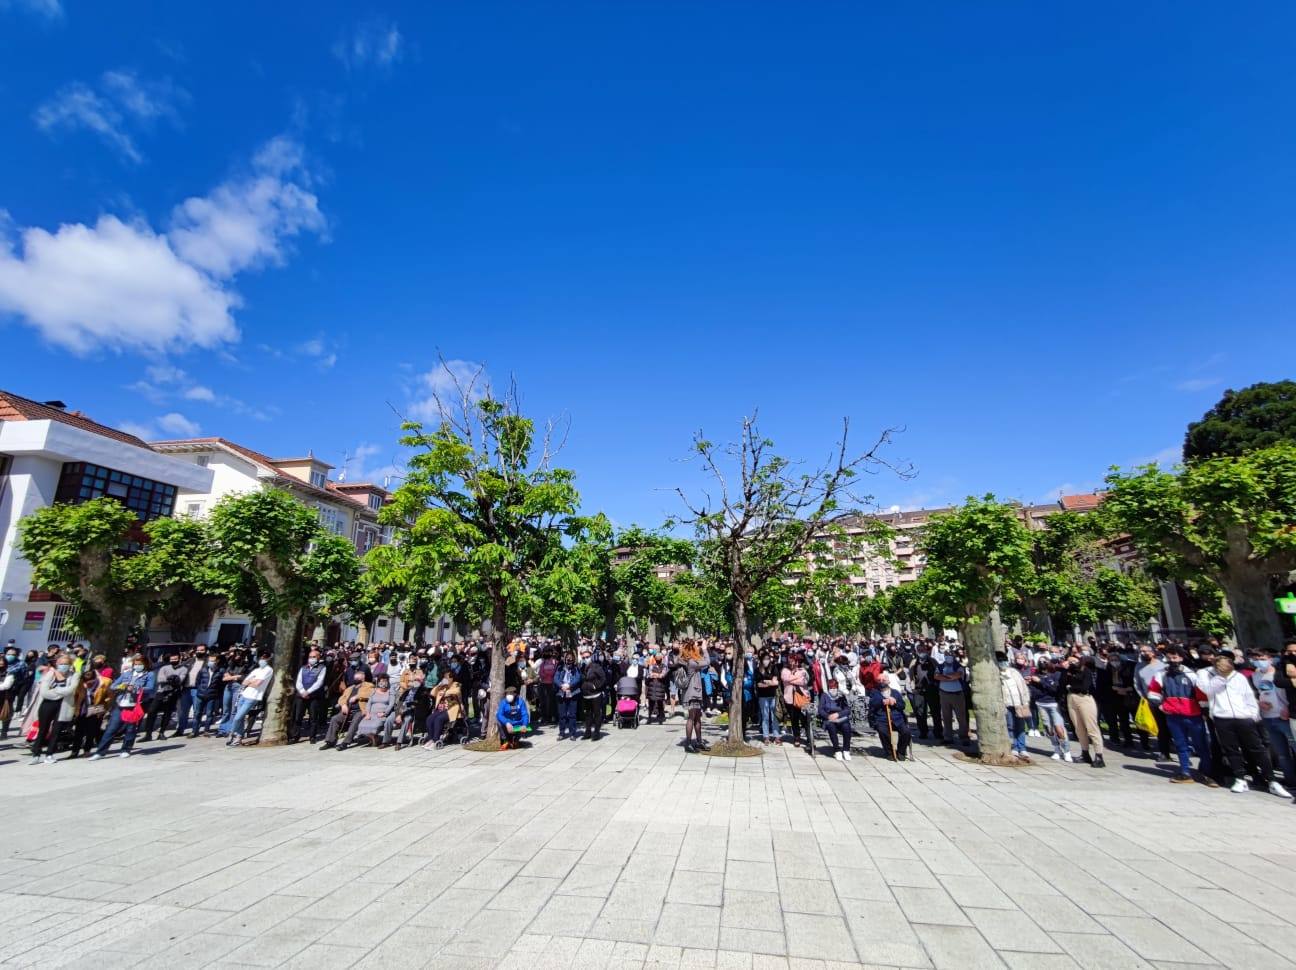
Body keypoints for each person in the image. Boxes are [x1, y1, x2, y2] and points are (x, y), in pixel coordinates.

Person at [1198, 650, 1290, 796]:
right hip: (1222, 717)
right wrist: (1220, 677)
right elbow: (1207, 690)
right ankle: (1240, 778)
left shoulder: (1239, 677)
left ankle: (1272, 780)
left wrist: (1253, 714)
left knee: (1257, 748)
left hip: (1243, 717)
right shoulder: (1207, 675)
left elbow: (1248, 696)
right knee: (1231, 749)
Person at [1147, 644, 1215, 785]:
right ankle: (1185, 771)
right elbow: (1153, 691)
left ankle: (1207, 773)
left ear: (1181, 658)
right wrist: (1161, 706)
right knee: (1181, 745)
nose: (1172, 660)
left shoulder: (1191, 674)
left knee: (1201, 744)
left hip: (1193, 714)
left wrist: (1204, 712)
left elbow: (1201, 695)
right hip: (1173, 715)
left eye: (1175, 657)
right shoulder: (1161, 674)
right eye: (1169, 657)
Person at [90, 656, 155, 760]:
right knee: (111, 729)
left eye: (140, 664)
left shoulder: (149, 674)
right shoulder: (127, 674)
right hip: (121, 704)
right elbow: (113, 685)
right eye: (136, 664)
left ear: (145, 664)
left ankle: (126, 749)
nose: (138, 666)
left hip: (134, 705)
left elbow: (150, 688)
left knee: (130, 729)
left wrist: (136, 688)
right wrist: (121, 686)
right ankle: (100, 752)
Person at [1252, 646, 1296, 785]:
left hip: (1284, 716)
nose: (1259, 662)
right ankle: (1290, 780)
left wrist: (1288, 708)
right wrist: (1259, 703)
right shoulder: (1255, 675)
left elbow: (1290, 693)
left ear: (1270, 659)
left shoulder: (1280, 673)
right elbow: (1255, 693)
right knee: (1282, 754)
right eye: (1256, 659)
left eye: (1263, 659)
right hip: (1267, 717)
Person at [29, 652, 80, 764]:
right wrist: (61, 691)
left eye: (66, 663)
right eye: (61, 663)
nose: (63, 665)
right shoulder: (49, 673)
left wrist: (56, 691)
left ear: (70, 664)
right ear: (57, 663)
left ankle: (50, 754)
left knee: (56, 731)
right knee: (43, 730)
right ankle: (36, 754)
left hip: (64, 706)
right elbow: (44, 692)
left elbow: (71, 690)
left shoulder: (74, 675)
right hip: (48, 704)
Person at [1063, 654, 1105, 768]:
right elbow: (1062, 684)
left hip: (1084, 699)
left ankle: (1099, 755)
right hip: (1071, 698)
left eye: (1075, 660)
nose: (1073, 662)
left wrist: (1071, 687)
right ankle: (1085, 753)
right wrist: (1065, 671)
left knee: (1091, 728)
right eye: (1070, 660)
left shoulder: (1086, 671)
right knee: (1078, 728)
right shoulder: (1068, 671)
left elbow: (1084, 687)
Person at [1027, 659, 1072, 762]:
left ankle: (1066, 751)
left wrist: (1041, 682)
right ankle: (1056, 749)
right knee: (1049, 729)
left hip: (1053, 704)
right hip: (1041, 703)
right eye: (1041, 662)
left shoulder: (1056, 674)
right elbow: (1035, 692)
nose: (1043, 663)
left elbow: (1055, 690)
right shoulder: (1035, 675)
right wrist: (1042, 687)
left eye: (1045, 662)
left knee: (1059, 728)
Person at [225, 654, 274, 746]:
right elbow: (244, 682)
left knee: (237, 718)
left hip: (253, 697)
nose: (262, 660)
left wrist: (251, 681)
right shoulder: (256, 670)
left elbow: (258, 683)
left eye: (264, 659)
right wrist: (251, 681)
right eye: (261, 658)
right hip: (244, 695)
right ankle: (238, 737)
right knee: (240, 718)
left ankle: (232, 733)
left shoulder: (268, 670)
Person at [142, 649, 187, 742]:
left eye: (176, 659)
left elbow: (180, 680)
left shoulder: (184, 669)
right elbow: (160, 679)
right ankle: (148, 734)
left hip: (173, 693)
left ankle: (161, 732)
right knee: (151, 711)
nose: (174, 661)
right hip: (161, 692)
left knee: (167, 713)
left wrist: (174, 680)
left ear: (179, 658)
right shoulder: (164, 668)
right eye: (172, 659)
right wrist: (172, 679)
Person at [322, 671, 374, 750]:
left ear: (363, 679)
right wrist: (343, 705)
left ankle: (346, 742)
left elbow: (371, 693)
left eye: (357, 678)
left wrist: (357, 696)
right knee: (334, 719)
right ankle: (330, 741)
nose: (355, 679)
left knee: (355, 721)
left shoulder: (369, 685)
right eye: (355, 678)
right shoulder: (350, 688)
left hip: (360, 710)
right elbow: (342, 698)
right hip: (348, 710)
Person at [290, 649, 330, 744]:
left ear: (318, 658)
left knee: (313, 717)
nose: (311, 659)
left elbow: (319, 682)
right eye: (310, 657)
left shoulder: (322, 668)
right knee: (298, 716)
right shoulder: (303, 668)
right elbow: (298, 681)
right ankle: (295, 736)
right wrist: (303, 691)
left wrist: (308, 692)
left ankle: (312, 736)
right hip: (301, 695)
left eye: (314, 657)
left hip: (314, 696)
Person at [868, 672, 910, 761]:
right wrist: (883, 701)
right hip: (882, 719)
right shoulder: (874, 692)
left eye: (884, 680)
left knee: (906, 732)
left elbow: (902, 706)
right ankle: (890, 752)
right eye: (879, 680)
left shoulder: (895, 692)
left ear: (889, 681)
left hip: (897, 718)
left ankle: (901, 752)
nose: (881, 682)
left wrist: (895, 702)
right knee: (883, 731)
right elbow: (872, 703)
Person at [998, 651, 1031, 761]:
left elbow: (1023, 686)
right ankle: (1013, 746)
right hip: (1007, 703)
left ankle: (1022, 747)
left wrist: (1025, 701)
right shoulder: (997, 675)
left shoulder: (1014, 672)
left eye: (1004, 660)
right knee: (1010, 725)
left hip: (1019, 703)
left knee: (1020, 726)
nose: (1003, 663)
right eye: (1000, 661)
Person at [934, 648, 970, 747]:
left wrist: (945, 677)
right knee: (946, 717)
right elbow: (937, 676)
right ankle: (948, 737)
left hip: (957, 694)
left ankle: (964, 736)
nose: (948, 656)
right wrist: (949, 677)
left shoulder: (959, 666)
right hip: (944, 693)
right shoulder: (940, 666)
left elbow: (957, 675)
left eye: (950, 654)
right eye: (946, 654)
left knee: (961, 717)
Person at [424, 669, 463, 748]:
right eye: (445, 677)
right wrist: (439, 685)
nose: (446, 679)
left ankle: (436, 740)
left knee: (439, 719)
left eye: (448, 677)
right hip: (441, 709)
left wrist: (446, 692)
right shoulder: (442, 687)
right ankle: (431, 738)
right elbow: (432, 693)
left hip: (452, 709)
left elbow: (457, 691)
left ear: (452, 678)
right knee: (429, 719)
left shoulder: (457, 684)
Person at [818, 677, 853, 761]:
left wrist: (838, 714)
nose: (833, 689)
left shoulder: (841, 696)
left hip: (840, 717)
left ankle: (846, 750)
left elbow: (847, 709)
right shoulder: (824, 695)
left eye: (834, 687)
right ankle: (837, 750)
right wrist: (828, 716)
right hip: (829, 718)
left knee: (846, 727)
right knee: (831, 727)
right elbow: (820, 710)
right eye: (831, 688)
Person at [781, 652, 811, 748]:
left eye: (794, 660)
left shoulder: (803, 670)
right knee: (794, 719)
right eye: (790, 660)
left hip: (802, 698)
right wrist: (797, 678)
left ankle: (809, 738)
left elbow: (804, 681)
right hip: (790, 698)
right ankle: (796, 737)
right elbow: (785, 679)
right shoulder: (784, 670)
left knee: (805, 719)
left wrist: (792, 679)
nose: (792, 662)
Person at [755, 649, 781, 744]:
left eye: (768, 659)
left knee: (774, 716)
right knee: (765, 716)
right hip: (763, 696)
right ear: (761, 660)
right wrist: (769, 682)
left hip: (773, 695)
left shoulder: (774, 668)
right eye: (764, 659)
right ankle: (766, 736)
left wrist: (766, 682)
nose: (766, 661)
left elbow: (776, 682)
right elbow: (758, 684)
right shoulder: (758, 670)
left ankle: (776, 735)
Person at [682, 659, 706, 753]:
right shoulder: (691, 662)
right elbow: (707, 661)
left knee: (697, 718)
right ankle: (688, 743)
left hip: (696, 692)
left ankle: (699, 741)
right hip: (692, 693)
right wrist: (704, 649)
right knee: (691, 717)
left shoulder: (693, 661)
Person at [581, 652, 607, 740]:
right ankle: (587, 732)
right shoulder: (582, 667)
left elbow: (603, 678)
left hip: (595, 694)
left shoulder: (596, 667)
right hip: (586, 695)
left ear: (591, 657)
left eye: (587, 657)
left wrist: (595, 686)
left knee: (597, 714)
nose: (585, 659)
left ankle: (596, 732)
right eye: (583, 657)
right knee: (587, 714)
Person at [496, 684, 531, 750]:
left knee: (524, 724)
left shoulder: (520, 702)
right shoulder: (503, 702)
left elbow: (525, 714)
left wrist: (524, 725)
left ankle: (516, 741)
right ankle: (505, 741)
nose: (509, 695)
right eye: (507, 693)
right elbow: (499, 714)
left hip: (518, 723)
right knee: (499, 722)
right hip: (508, 723)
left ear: (515, 694)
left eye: (511, 693)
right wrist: (506, 723)